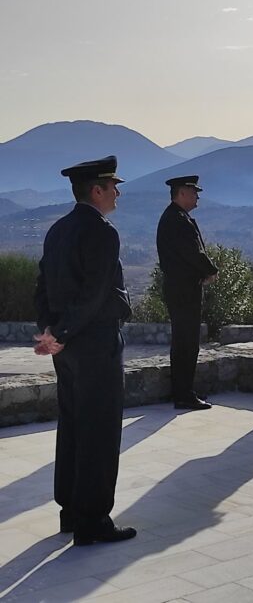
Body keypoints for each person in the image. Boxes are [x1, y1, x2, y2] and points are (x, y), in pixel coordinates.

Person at [33, 155, 136, 546]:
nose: (117, 193)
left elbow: (43, 287)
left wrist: (50, 332)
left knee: (74, 425)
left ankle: (71, 512)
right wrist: (59, 331)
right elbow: (94, 294)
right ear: (96, 190)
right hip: (94, 342)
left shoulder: (58, 229)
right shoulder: (103, 232)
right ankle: (93, 521)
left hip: (68, 346)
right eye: (113, 186)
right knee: (100, 430)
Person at [156, 175, 218, 410]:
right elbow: (193, 252)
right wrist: (211, 270)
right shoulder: (177, 220)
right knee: (186, 342)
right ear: (181, 193)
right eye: (193, 192)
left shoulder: (177, 217)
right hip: (183, 290)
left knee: (185, 341)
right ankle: (183, 393)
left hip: (182, 288)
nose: (197, 196)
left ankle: (183, 391)